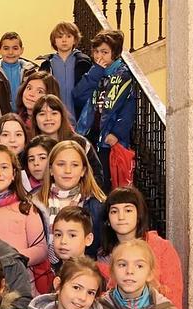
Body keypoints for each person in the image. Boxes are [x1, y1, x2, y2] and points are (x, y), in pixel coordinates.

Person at [98, 186, 184, 309]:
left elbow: (174, 303)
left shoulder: (162, 248)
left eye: (128, 210)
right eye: (114, 211)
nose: (121, 217)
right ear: (108, 219)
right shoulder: (102, 255)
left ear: (139, 215)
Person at [0, 144, 48, 294]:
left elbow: (41, 249)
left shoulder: (26, 208)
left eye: (4, 167)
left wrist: (11, 259)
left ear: (13, 174)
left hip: (20, 286)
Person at [74, 30, 135, 192]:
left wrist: (116, 133)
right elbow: (78, 95)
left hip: (108, 138)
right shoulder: (93, 72)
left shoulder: (124, 75)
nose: (99, 56)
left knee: (107, 182)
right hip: (89, 133)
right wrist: (95, 73)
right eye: (96, 51)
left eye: (105, 52)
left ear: (114, 54)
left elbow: (127, 109)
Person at [34, 140, 106, 260]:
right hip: (43, 273)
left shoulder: (98, 205)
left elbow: (103, 248)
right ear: (51, 169)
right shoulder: (33, 203)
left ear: (83, 171)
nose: (68, 171)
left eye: (75, 165)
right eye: (61, 164)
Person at [32, 94, 104, 188]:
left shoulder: (80, 143)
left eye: (54, 113)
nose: (48, 118)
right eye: (42, 114)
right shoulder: (32, 147)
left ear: (62, 116)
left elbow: (98, 177)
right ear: (35, 119)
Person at [38, 22, 92, 120]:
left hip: (79, 117)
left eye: (68, 36)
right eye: (59, 36)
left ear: (75, 39)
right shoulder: (47, 65)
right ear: (54, 41)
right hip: (53, 118)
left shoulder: (84, 63)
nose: (64, 40)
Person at [0, 31, 38, 113]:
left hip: (26, 118)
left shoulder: (31, 73)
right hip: (1, 119)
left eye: (15, 48)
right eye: (6, 48)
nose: (10, 52)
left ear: (21, 50)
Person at [51, 206, 94, 274]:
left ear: (88, 239)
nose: (63, 241)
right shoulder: (50, 273)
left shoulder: (95, 275)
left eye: (72, 235)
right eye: (58, 235)